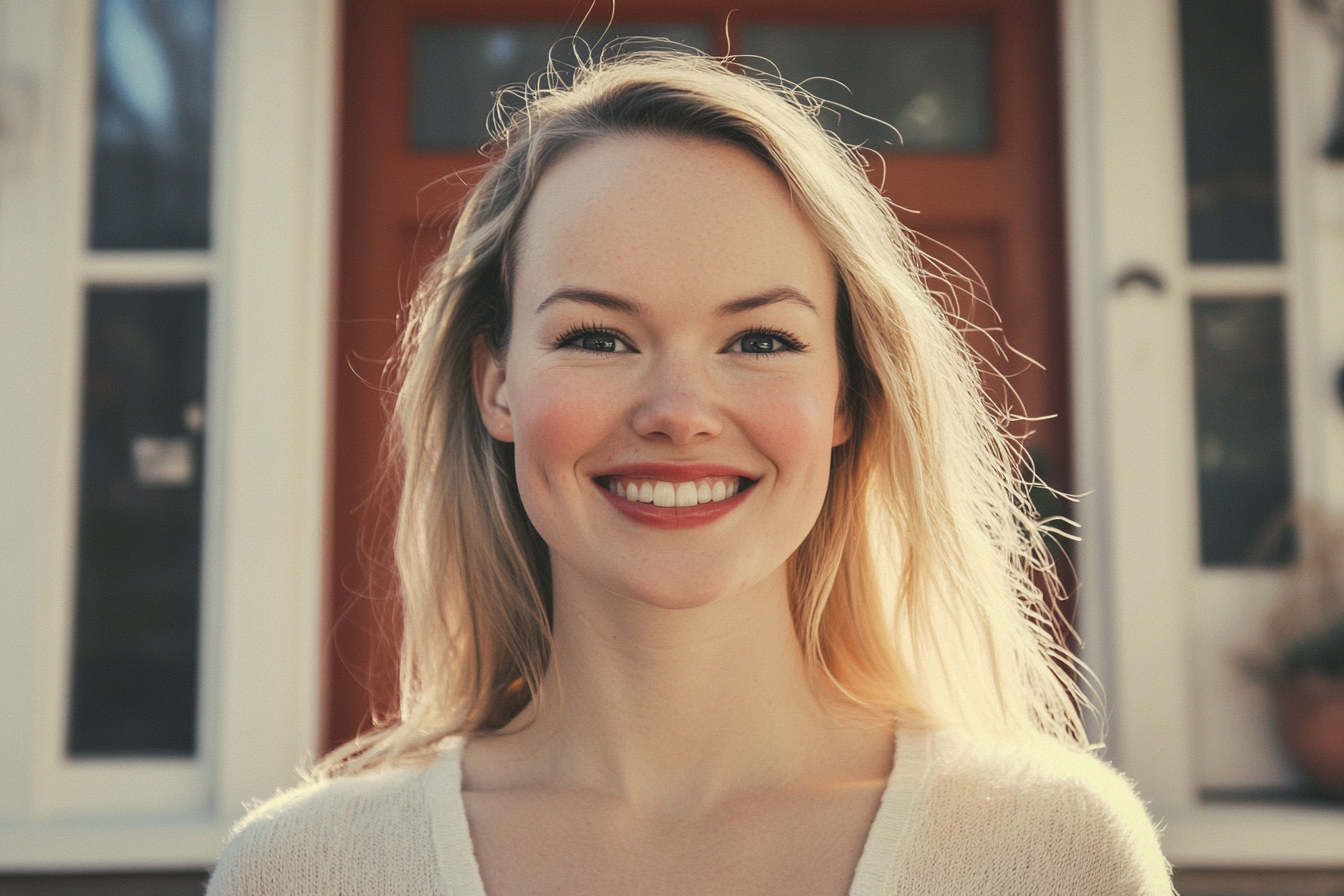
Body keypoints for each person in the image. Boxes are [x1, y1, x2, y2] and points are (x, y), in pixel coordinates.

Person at [207, 49, 1173, 895]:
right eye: (597, 336)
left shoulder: (1056, 857)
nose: (677, 412)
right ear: (497, 385)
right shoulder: (304, 874)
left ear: (847, 395)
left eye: (758, 338)